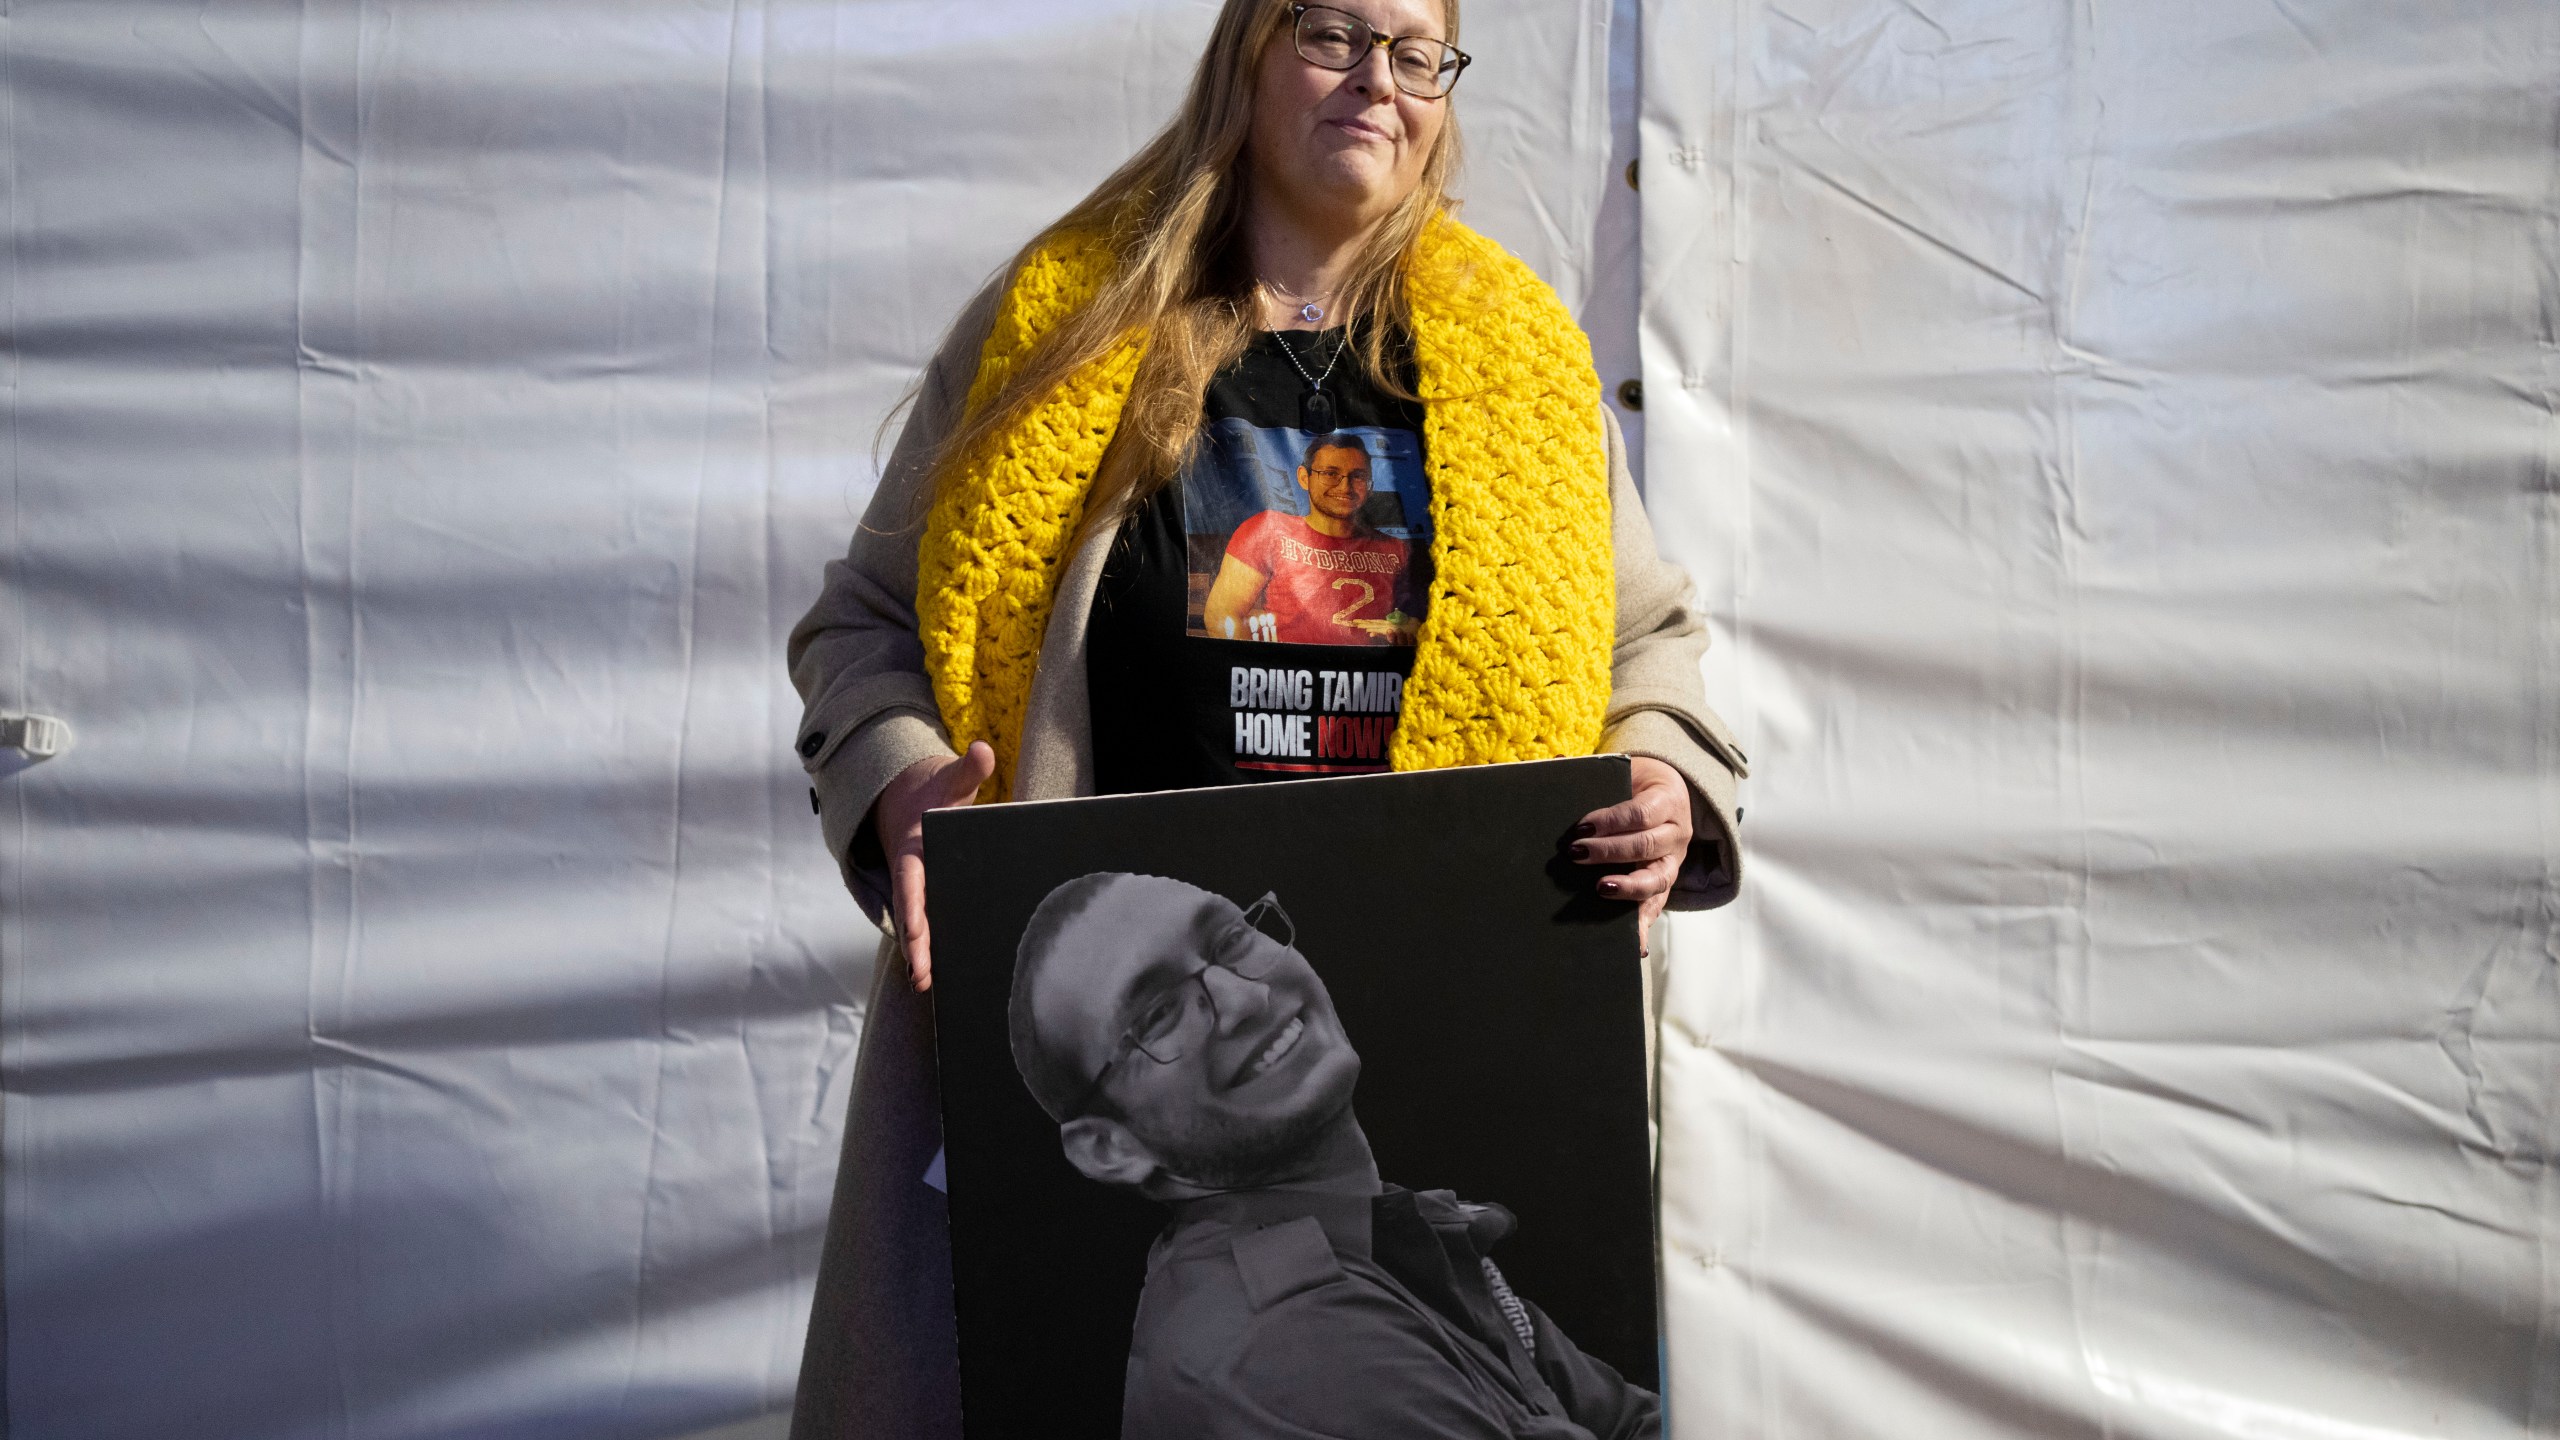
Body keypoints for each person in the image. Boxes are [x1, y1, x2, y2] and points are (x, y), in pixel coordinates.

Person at [785, 2, 1749, 1435]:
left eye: (1417, 52)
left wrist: (1668, 774)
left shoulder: (1525, 367)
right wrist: (900, 779)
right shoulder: (1061, 326)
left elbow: (1647, 643)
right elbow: (860, 622)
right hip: (1110, 1037)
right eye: (1332, 33)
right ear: (1245, 54)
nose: (1379, 80)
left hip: (1442, 1025)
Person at [1009, 872, 1660, 1440]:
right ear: (1108, 1147)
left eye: (1232, 939)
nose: (1244, 996)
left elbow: (1641, 1422)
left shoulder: (1387, 1231)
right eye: (1157, 1016)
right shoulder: (1283, 1346)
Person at [1202, 432, 1422, 645]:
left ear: (1369, 485)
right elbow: (1221, 613)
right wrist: (1263, 670)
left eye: (1358, 476)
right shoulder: (1270, 528)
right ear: (1304, 478)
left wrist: (1415, 629)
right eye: (1330, 473)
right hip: (1288, 676)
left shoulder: (1396, 548)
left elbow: (1418, 618)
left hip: (1368, 679)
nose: (1344, 486)